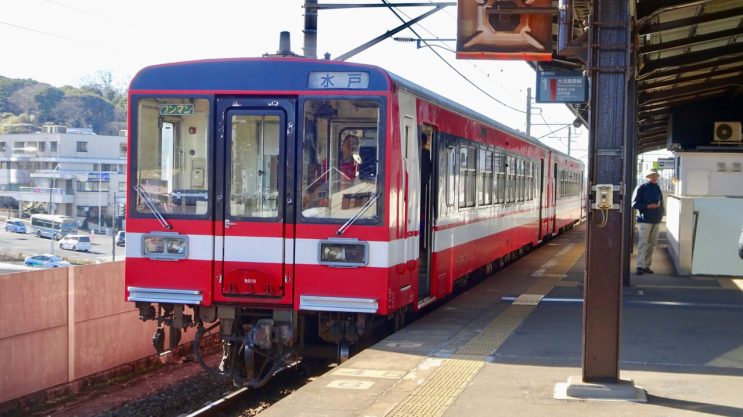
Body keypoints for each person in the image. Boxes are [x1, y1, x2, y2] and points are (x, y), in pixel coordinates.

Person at [632, 169, 663, 275]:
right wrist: (648, 206)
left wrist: (661, 214)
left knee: (652, 244)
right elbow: (635, 204)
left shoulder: (658, 188)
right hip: (645, 220)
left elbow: (661, 202)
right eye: (652, 175)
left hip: (656, 220)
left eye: (655, 175)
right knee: (643, 243)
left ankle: (646, 266)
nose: (654, 177)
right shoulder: (642, 188)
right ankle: (640, 266)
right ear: (648, 177)